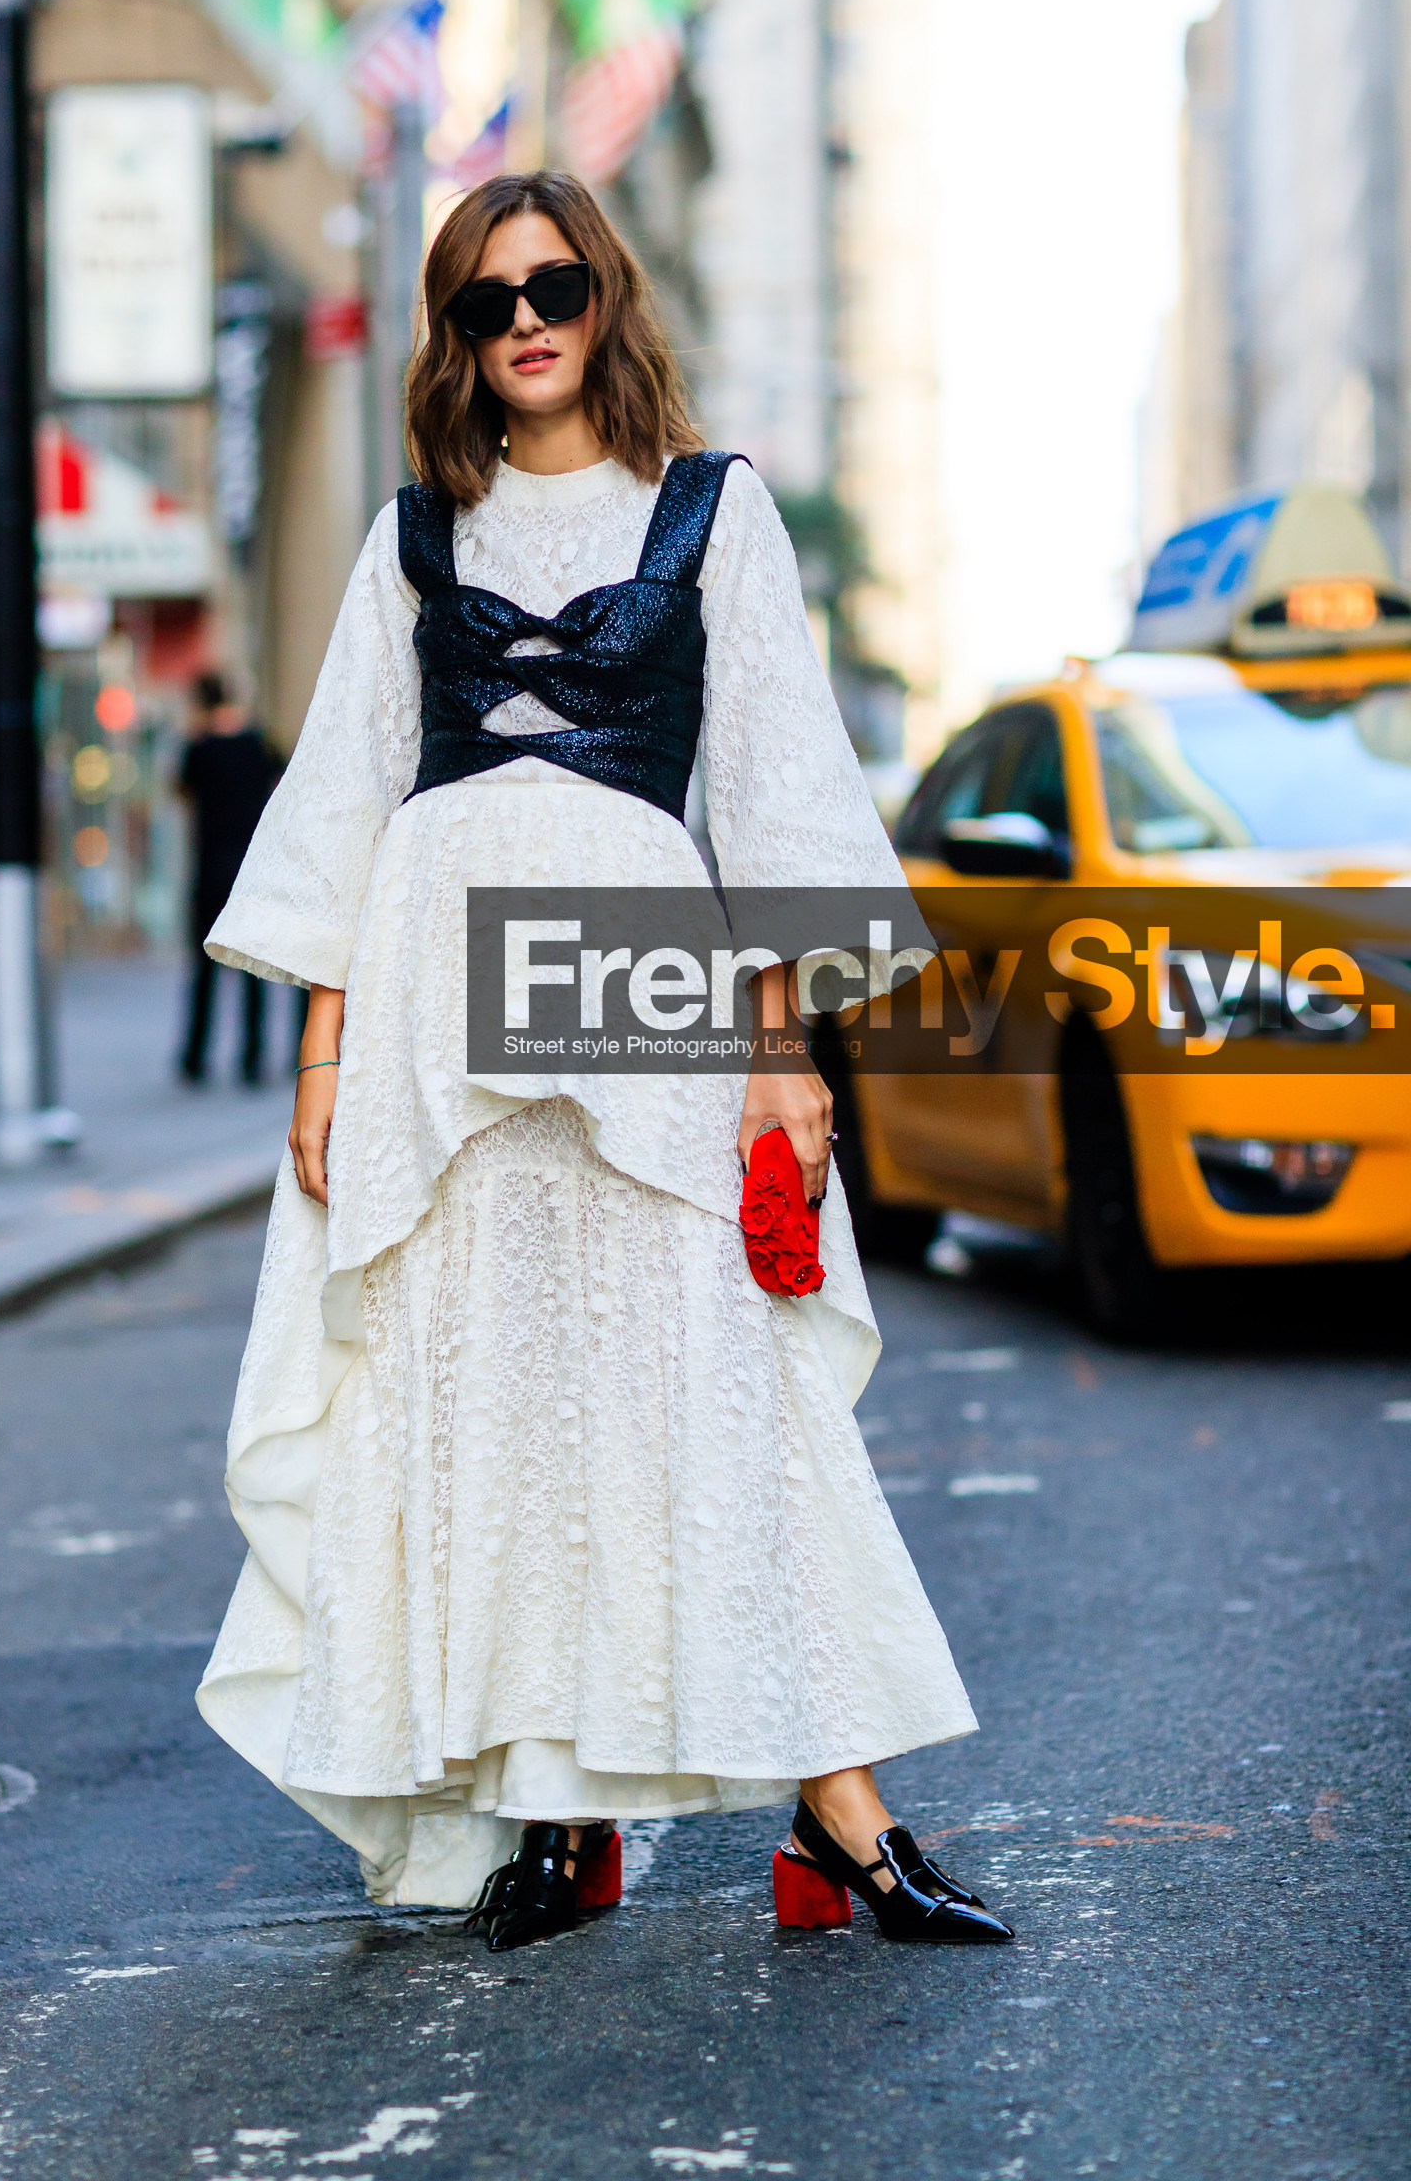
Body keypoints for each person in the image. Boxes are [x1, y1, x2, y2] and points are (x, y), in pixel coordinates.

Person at [195, 171, 1011, 1951]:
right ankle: (555, 1817)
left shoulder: (715, 512)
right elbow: (347, 786)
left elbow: (781, 777)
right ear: (456, 337)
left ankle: (843, 1812)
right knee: (488, 1381)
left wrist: (779, 1050)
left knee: (706, 1371)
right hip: (427, 988)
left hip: (639, 972)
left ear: (608, 294)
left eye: (553, 285)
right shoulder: (418, 529)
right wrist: (322, 1054)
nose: (526, 322)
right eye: (486, 303)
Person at [178, 676, 280, 1085]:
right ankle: (253, 1056)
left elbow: (181, 792)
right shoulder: (258, 742)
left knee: (203, 968)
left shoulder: (198, 748)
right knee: (252, 967)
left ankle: (195, 1056)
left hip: (210, 865)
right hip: (252, 867)